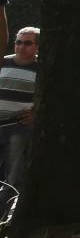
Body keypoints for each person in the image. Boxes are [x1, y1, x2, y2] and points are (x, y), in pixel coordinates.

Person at [0, 26, 39, 185]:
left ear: (38, 46)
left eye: (27, 43)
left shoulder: (43, 68)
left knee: (14, 175)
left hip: (19, 126)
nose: (21, 46)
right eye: (18, 42)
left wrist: (36, 112)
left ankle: (8, 206)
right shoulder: (3, 61)